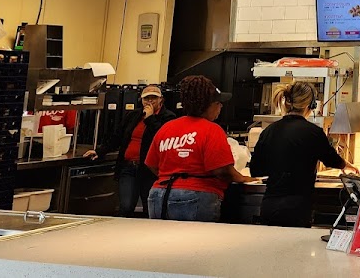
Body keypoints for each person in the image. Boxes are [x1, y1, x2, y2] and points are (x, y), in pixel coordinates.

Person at [144, 75, 255, 222]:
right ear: (208, 105)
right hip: (196, 197)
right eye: (218, 103)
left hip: (158, 195)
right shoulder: (212, 130)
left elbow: (152, 164)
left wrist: (174, 177)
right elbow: (222, 170)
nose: (221, 107)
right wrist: (242, 178)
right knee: (195, 244)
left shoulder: (167, 128)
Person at [250, 81, 356, 227]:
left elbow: (255, 169)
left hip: (270, 206)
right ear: (311, 105)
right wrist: (347, 165)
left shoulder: (269, 131)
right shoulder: (313, 132)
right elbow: (331, 160)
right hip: (297, 208)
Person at [84, 84, 175, 217]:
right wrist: (99, 151)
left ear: (161, 99)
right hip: (128, 167)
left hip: (151, 171)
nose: (149, 101)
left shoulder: (169, 117)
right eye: (146, 98)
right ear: (141, 100)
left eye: (153, 98)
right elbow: (118, 137)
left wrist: (150, 119)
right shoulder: (133, 115)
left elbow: (162, 138)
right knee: (126, 207)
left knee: (150, 208)